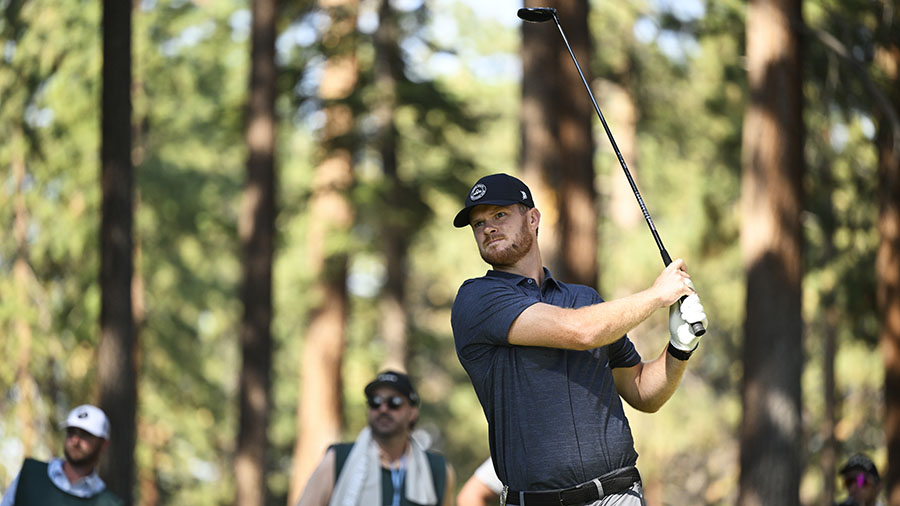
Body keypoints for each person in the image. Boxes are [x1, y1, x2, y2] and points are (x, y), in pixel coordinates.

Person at [450, 173, 708, 506]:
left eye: (499, 215)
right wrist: (657, 296)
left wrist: (680, 347)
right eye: (478, 223)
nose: (487, 228)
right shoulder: (477, 299)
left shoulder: (584, 299)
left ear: (533, 218)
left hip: (618, 495)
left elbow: (643, 391)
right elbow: (579, 332)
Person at [297, 370, 455, 506]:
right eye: (375, 402)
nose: (383, 409)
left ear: (413, 412)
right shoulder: (338, 459)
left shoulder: (438, 470)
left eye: (394, 402)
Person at [1, 404, 123, 506]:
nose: (75, 441)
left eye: (85, 435)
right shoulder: (30, 474)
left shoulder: (110, 503)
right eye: (71, 432)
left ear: (104, 444)